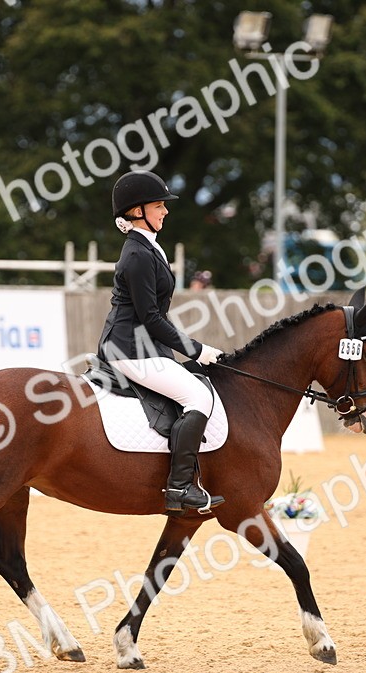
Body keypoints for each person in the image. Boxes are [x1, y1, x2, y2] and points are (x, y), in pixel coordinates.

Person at [97, 171, 225, 514]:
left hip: (144, 347)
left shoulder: (149, 247)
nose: (165, 211)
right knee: (198, 397)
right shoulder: (137, 255)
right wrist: (196, 349)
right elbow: (151, 318)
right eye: (158, 206)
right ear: (136, 211)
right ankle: (180, 486)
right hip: (128, 349)